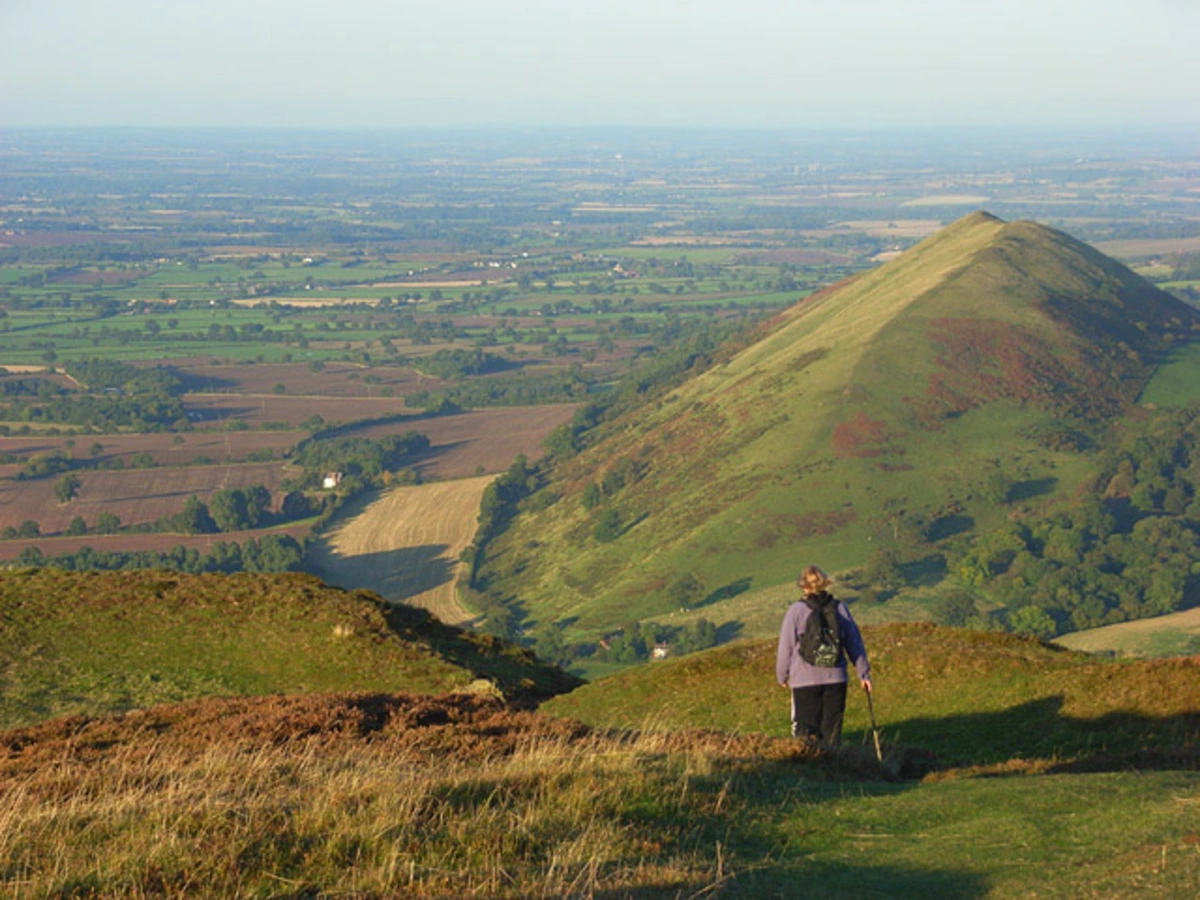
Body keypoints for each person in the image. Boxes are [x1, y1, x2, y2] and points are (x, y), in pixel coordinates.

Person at [775, 565, 871, 745]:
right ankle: (832, 770)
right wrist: (863, 674)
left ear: (804, 587)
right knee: (832, 733)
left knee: (804, 733)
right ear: (824, 583)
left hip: (804, 680)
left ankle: (810, 770)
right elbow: (853, 641)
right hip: (836, 679)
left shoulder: (796, 610)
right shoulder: (840, 608)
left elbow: (786, 646)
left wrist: (782, 675)